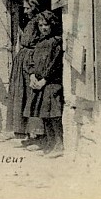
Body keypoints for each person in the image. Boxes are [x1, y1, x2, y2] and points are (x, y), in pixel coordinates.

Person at [3, 0, 45, 143]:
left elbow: (39, 45)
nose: (25, 11)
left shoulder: (40, 21)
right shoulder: (29, 21)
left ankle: (36, 136)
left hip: (31, 62)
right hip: (22, 62)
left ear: (34, 7)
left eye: (28, 8)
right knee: (20, 97)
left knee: (30, 98)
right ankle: (24, 132)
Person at [25, 10, 65, 158]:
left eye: (46, 25)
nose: (43, 28)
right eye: (40, 25)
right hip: (39, 82)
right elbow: (32, 62)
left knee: (53, 114)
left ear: (52, 25)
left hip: (51, 83)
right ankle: (50, 142)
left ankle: (59, 144)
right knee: (43, 114)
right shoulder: (40, 43)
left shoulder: (56, 42)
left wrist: (44, 80)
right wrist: (32, 76)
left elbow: (55, 64)